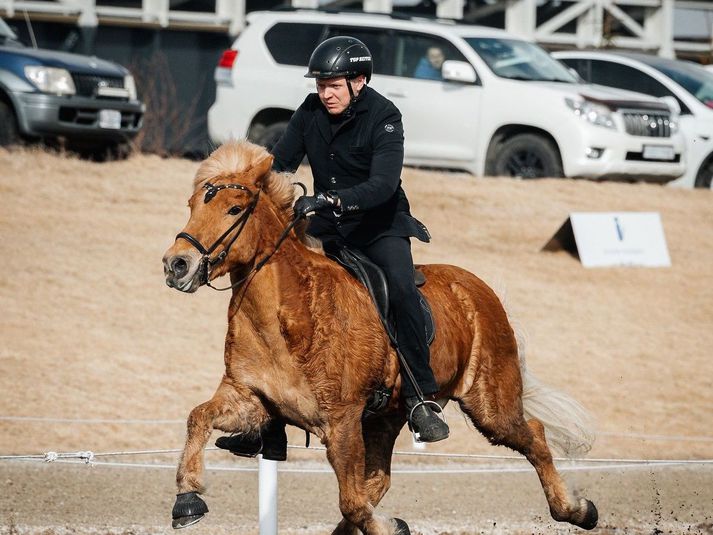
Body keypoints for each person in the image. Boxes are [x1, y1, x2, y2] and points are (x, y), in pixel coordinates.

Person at [216, 36, 449, 461]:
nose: (325, 93)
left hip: (379, 225)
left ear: (359, 81)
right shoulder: (309, 111)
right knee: (273, 286)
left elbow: (383, 185)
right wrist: (243, 180)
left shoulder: (385, 116)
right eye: (321, 84)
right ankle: (265, 421)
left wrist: (331, 200)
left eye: (334, 85)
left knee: (399, 287)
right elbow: (281, 162)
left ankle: (421, 395)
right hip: (327, 225)